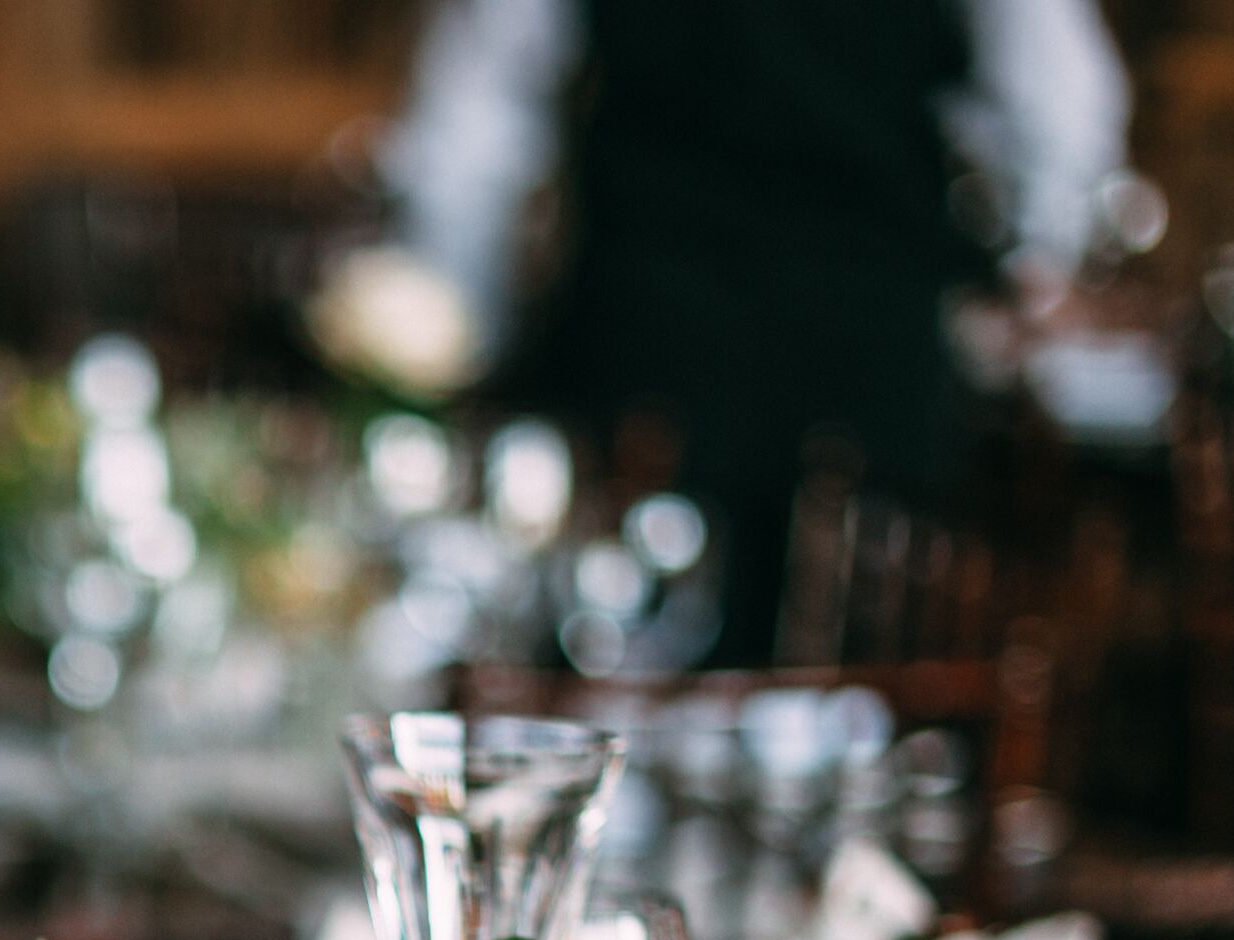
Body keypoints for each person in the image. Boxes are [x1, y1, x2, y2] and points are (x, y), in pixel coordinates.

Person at [373, 0, 1128, 660]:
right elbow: (1061, 106)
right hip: (856, 347)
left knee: (626, 683)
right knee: (836, 712)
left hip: (654, 341)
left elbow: (474, 116)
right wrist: (1036, 248)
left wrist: (472, 328)